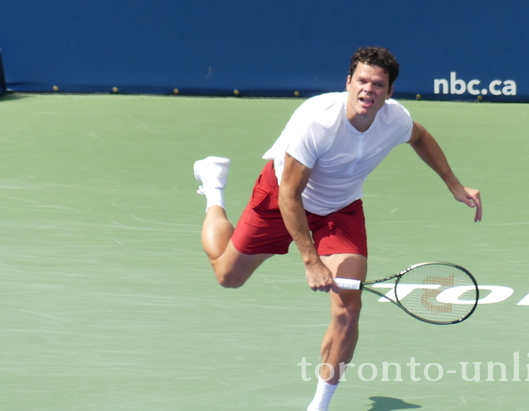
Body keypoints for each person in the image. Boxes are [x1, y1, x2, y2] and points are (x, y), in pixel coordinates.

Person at [194, 47, 482, 411]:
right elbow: (290, 195)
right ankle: (213, 190)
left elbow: (420, 137)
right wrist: (310, 259)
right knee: (227, 275)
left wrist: (453, 184)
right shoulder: (317, 123)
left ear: (389, 92)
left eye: (378, 85)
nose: (368, 90)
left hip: (340, 210)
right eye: (361, 81)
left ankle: (319, 405)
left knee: (348, 310)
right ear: (348, 82)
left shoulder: (395, 119)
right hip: (283, 198)